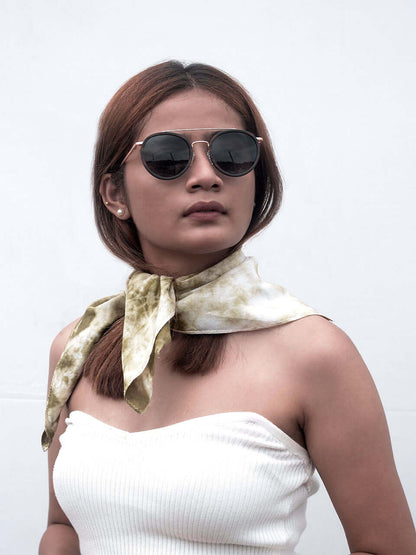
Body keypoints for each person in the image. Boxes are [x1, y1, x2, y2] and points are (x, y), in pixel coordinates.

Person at [39, 60, 416, 555]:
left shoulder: (315, 353)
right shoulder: (79, 346)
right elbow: (63, 528)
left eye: (232, 154)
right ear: (114, 193)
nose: (205, 176)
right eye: (167, 156)